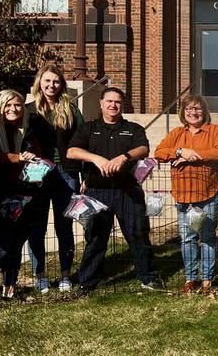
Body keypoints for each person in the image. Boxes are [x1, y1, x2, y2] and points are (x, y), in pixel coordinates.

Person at [67, 87, 160, 292]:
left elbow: (144, 149)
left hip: (127, 190)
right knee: (96, 238)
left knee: (138, 234)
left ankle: (148, 277)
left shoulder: (133, 128)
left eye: (117, 102)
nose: (113, 105)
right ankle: (87, 283)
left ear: (122, 105)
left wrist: (124, 157)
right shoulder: (88, 128)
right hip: (97, 191)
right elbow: (72, 151)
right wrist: (95, 158)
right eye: (109, 101)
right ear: (101, 104)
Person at [0, 89, 49, 300]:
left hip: (23, 194)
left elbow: (37, 155)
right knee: (1, 247)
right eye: (8, 105)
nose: (13, 109)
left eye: (17, 105)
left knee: (17, 242)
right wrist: (17, 157)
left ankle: (10, 287)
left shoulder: (26, 131)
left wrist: (32, 156)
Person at [154, 94, 218, 294]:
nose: (193, 113)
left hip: (209, 192)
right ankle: (190, 278)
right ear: (183, 113)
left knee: (207, 236)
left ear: (204, 112)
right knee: (187, 238)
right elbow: (159, 152)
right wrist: (180, 151)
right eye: (188, 109)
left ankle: (207, 279)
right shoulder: (177, 133)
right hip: (184, 194)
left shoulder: (214, 130)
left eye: (197, 109)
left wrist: (192, 156)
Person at [25, 65, 84, 293]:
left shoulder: (70, 110)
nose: (51, 85)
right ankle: (40, 275)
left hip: (65, 172)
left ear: (62, 85)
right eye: (47, 81)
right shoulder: (29, 110)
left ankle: (65, 275)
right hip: (38, 173)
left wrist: (83, 174)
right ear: (40, 82)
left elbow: (82, 139)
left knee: (64, 226)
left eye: (56, 82)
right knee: (36, 227)